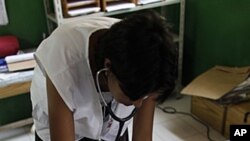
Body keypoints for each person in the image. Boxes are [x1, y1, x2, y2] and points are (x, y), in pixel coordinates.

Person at [30, 10, 178, 141]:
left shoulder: (149, 62)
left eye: (144, 97)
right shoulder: (63, 62)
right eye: (132, 95)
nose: (139, 104)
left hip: (109, 124)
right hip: (61, 122)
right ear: (108, 67)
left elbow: (143, 137)